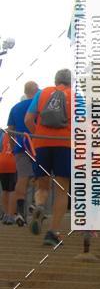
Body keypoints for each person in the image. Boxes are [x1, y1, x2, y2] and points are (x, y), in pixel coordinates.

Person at [25, 70, 72, 247]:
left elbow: (28, 119)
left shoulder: (42, 93)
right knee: (62, 190)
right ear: (70, 82)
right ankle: (52, 233)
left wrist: (38, 134)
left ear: (55, 80)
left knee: (42, 186)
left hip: (42, 144)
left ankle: (39, 205)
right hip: (64, 144)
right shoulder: (75, 96)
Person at [6, 80, 38, 226]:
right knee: (42, 177)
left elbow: (10, 130)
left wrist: (14, 147)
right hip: (37, 147)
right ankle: (34, 204)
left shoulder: (15, 108)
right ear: (36, 91)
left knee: (22, 179)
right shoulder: (38, 106)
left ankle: (19, 213)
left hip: (20, 148)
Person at [0, 128, 17, 224]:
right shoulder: (19, 132)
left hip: (2, 163)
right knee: (12, 190)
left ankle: (6, 214)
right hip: (13, 163)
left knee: (5, 190)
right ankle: (11, 215)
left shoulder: (3, 134)